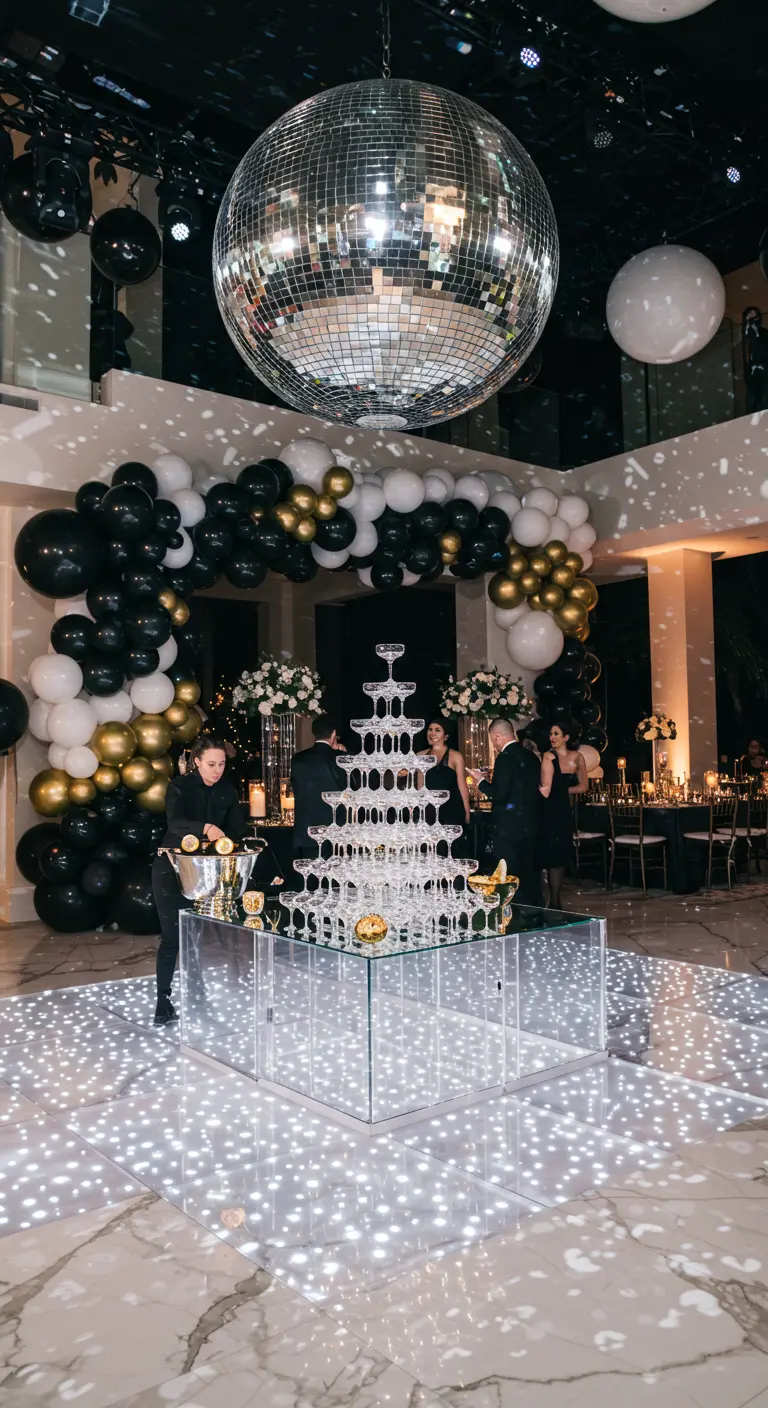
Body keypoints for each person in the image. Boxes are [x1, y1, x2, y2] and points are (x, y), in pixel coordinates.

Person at [152, 734, 246, 1026]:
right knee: (172, 936)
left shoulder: (227, 791)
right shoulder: (179, 786)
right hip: (172, 867)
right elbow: (175, 823)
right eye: (211, 764)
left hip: (208, 870)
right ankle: (163, 1001)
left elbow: (236, 829)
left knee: (195, 934)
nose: (217, 770)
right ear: (196, 762)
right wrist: (205, 828)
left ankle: (197, 992)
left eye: (222, 764)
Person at [468, 718, 542, 906]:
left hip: (508, 827)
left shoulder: (505, 758)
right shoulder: (531, 757)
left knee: (509, 872)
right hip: (530, 824)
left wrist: (480, 781)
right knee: (530, 872)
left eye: (493, 739)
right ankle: (534, 911)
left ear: (497, 736)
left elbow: (499, 794)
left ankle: (513, 911)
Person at [538, 721, 588, 909]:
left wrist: (563, 791)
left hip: (564, 809)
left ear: (566, 737)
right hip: (547, 808)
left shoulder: (577, 757)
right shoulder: (548, 757)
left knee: (560, 853)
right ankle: (550, 899)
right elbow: (543, 786)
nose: (552, 737)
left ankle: (555, 900)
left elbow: (584, 786)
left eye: (556, 733)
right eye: (551, 733)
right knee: (549, 852)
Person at [290, 715, 346, 860]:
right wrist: (342, 754)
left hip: (305, 832)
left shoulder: (298, 759)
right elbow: (350, 790)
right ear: (333, 734)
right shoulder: (339, 759)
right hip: (334, 834)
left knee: (308, 872)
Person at [417, 719, 470, 828]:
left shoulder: (455, 756)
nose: (432, 733)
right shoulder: (420, 756)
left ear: (446, 736)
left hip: (452, 809)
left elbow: (462, 785)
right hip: (429, 809)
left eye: (437, 730)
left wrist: (467, 810)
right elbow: (420, 786)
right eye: (430, 729)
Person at [742, 307, 768, 413]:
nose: (752, 316)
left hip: (764, 368)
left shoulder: (763, 333)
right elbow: (749, 336)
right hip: (752, 370)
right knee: (752, 398)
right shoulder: (747, 332)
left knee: (763, 397)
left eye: (754, 314)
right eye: (749, 314)